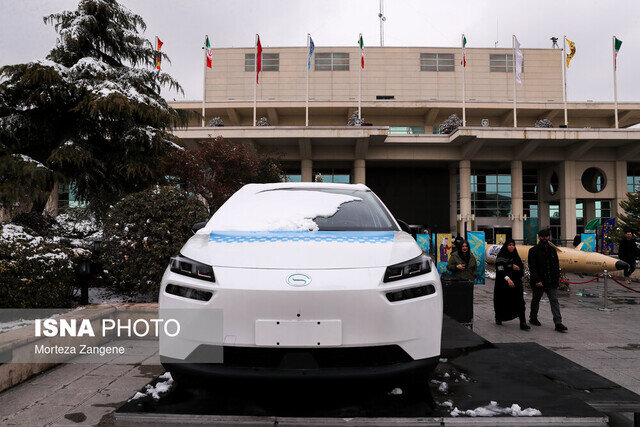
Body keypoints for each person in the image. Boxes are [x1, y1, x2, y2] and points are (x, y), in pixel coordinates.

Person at [528, 229, 568, 332]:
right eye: (543, 236)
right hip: (539, 281)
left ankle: (558, 323)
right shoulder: (533, 250)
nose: (545, 238)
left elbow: (555, 266)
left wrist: (556, 279)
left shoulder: (552, 250)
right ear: (539, 237)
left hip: (551, 281)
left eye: (546, 236)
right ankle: (533, 318)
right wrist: (537, 280)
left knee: (554, 301)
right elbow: (532, 267)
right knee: (536, 300)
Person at [494, 239, 530, 330]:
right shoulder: (501, 256)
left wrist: (518, 269)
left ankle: (523, 322)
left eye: (513, 245)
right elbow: (500, 270)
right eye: (509, 245)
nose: (511, 247)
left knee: (520, 302)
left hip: (516, 284)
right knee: (502, 302)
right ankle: (499, 317)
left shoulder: (516, 256)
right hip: (503, 284)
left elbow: (522, 270)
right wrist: (508, 278)